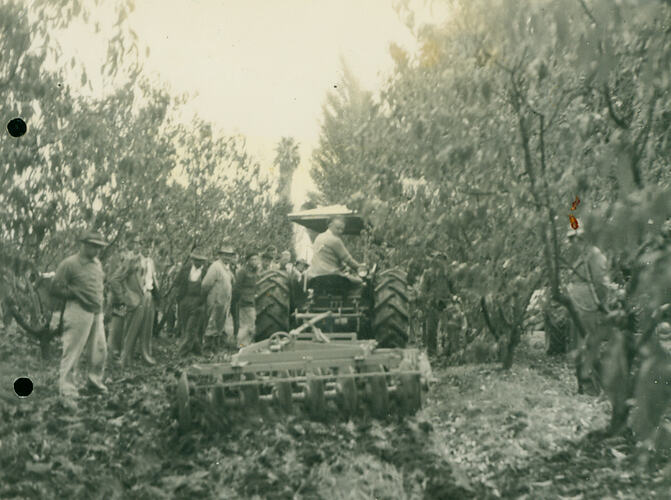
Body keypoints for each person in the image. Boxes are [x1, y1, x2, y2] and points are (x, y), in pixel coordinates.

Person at [51, 231, 109, 402]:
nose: (96, 250)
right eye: (93, 246)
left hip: (96, 311)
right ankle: (67, 388)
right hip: (78, 310)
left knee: (99, 350)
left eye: (99, 247)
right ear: (83, 244)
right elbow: (54, 288)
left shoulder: (97, 263)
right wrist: (74, 295)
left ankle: (94, 382)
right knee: (73, 350)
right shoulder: (69, 264)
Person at [566, 227, 622, 393]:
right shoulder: (583, 255)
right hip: (579, 305)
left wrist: (600, 305)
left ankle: (591, 388)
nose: (572, 243)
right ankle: (583, 385)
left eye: (574, 239)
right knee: (577, 344)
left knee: (587, 343)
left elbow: (601, 283)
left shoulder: (595, 255)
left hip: (588, 306)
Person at [306, 216, 363, 284]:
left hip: (315, 277)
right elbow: (348, 260)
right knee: (360, 283)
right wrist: (360, 267)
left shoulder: (319, 237)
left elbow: (328, 258)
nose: (340, 231)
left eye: (342, 229)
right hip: (333, 277)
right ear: (330, 225)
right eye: (338, 228)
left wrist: (343, 267)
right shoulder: (335, 240)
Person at [418, 251, 454, 356]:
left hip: (447, 304)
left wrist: (453, 298)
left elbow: (454, 289)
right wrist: (425, 302)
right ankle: (432, 352)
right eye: (437, 259)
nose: (439, 262)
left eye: (442, 259)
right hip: (433, 305)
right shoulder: (428, 274)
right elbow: (423, 290)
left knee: (449, 329)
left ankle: (448, 351)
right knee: (431, 331)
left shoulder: (448, 274)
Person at [202, 245, 235, 348]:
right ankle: (207, 348)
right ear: (220, 255)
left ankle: (215, 347)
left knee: (219, 326)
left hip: (223, 303)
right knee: (211, 326)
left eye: (229, 256)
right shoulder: (215, 266)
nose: (227, 258)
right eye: (225, 255)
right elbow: (206, 284)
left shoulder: (227, 268)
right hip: (215, 302)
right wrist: (210, 298)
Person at [176, 250, 209, 355]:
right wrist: (179, 299)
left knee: (192, 328)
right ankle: (197, 350)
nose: (198, 263)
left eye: (201, 261)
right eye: (196, 260)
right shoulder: (185, 270)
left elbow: (208, 289)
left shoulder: (206, 273)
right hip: (185, 300)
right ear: (192, 260)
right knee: (186, 327)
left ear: (204, 262)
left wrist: (202, 302)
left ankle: (182, 352)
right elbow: (177, 283)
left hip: (198, 302)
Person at [231, 250, 261, 347]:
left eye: (256, 259)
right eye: (252, 259)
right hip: (244, 302)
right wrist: (239, 299)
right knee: (245, 325)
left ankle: (246, 344)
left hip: (253, 301)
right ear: (247, 261)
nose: (254, 261)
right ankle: (241, 345)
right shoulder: (242, 271)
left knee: (251, 324)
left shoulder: (256, 272)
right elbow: (237, 288)